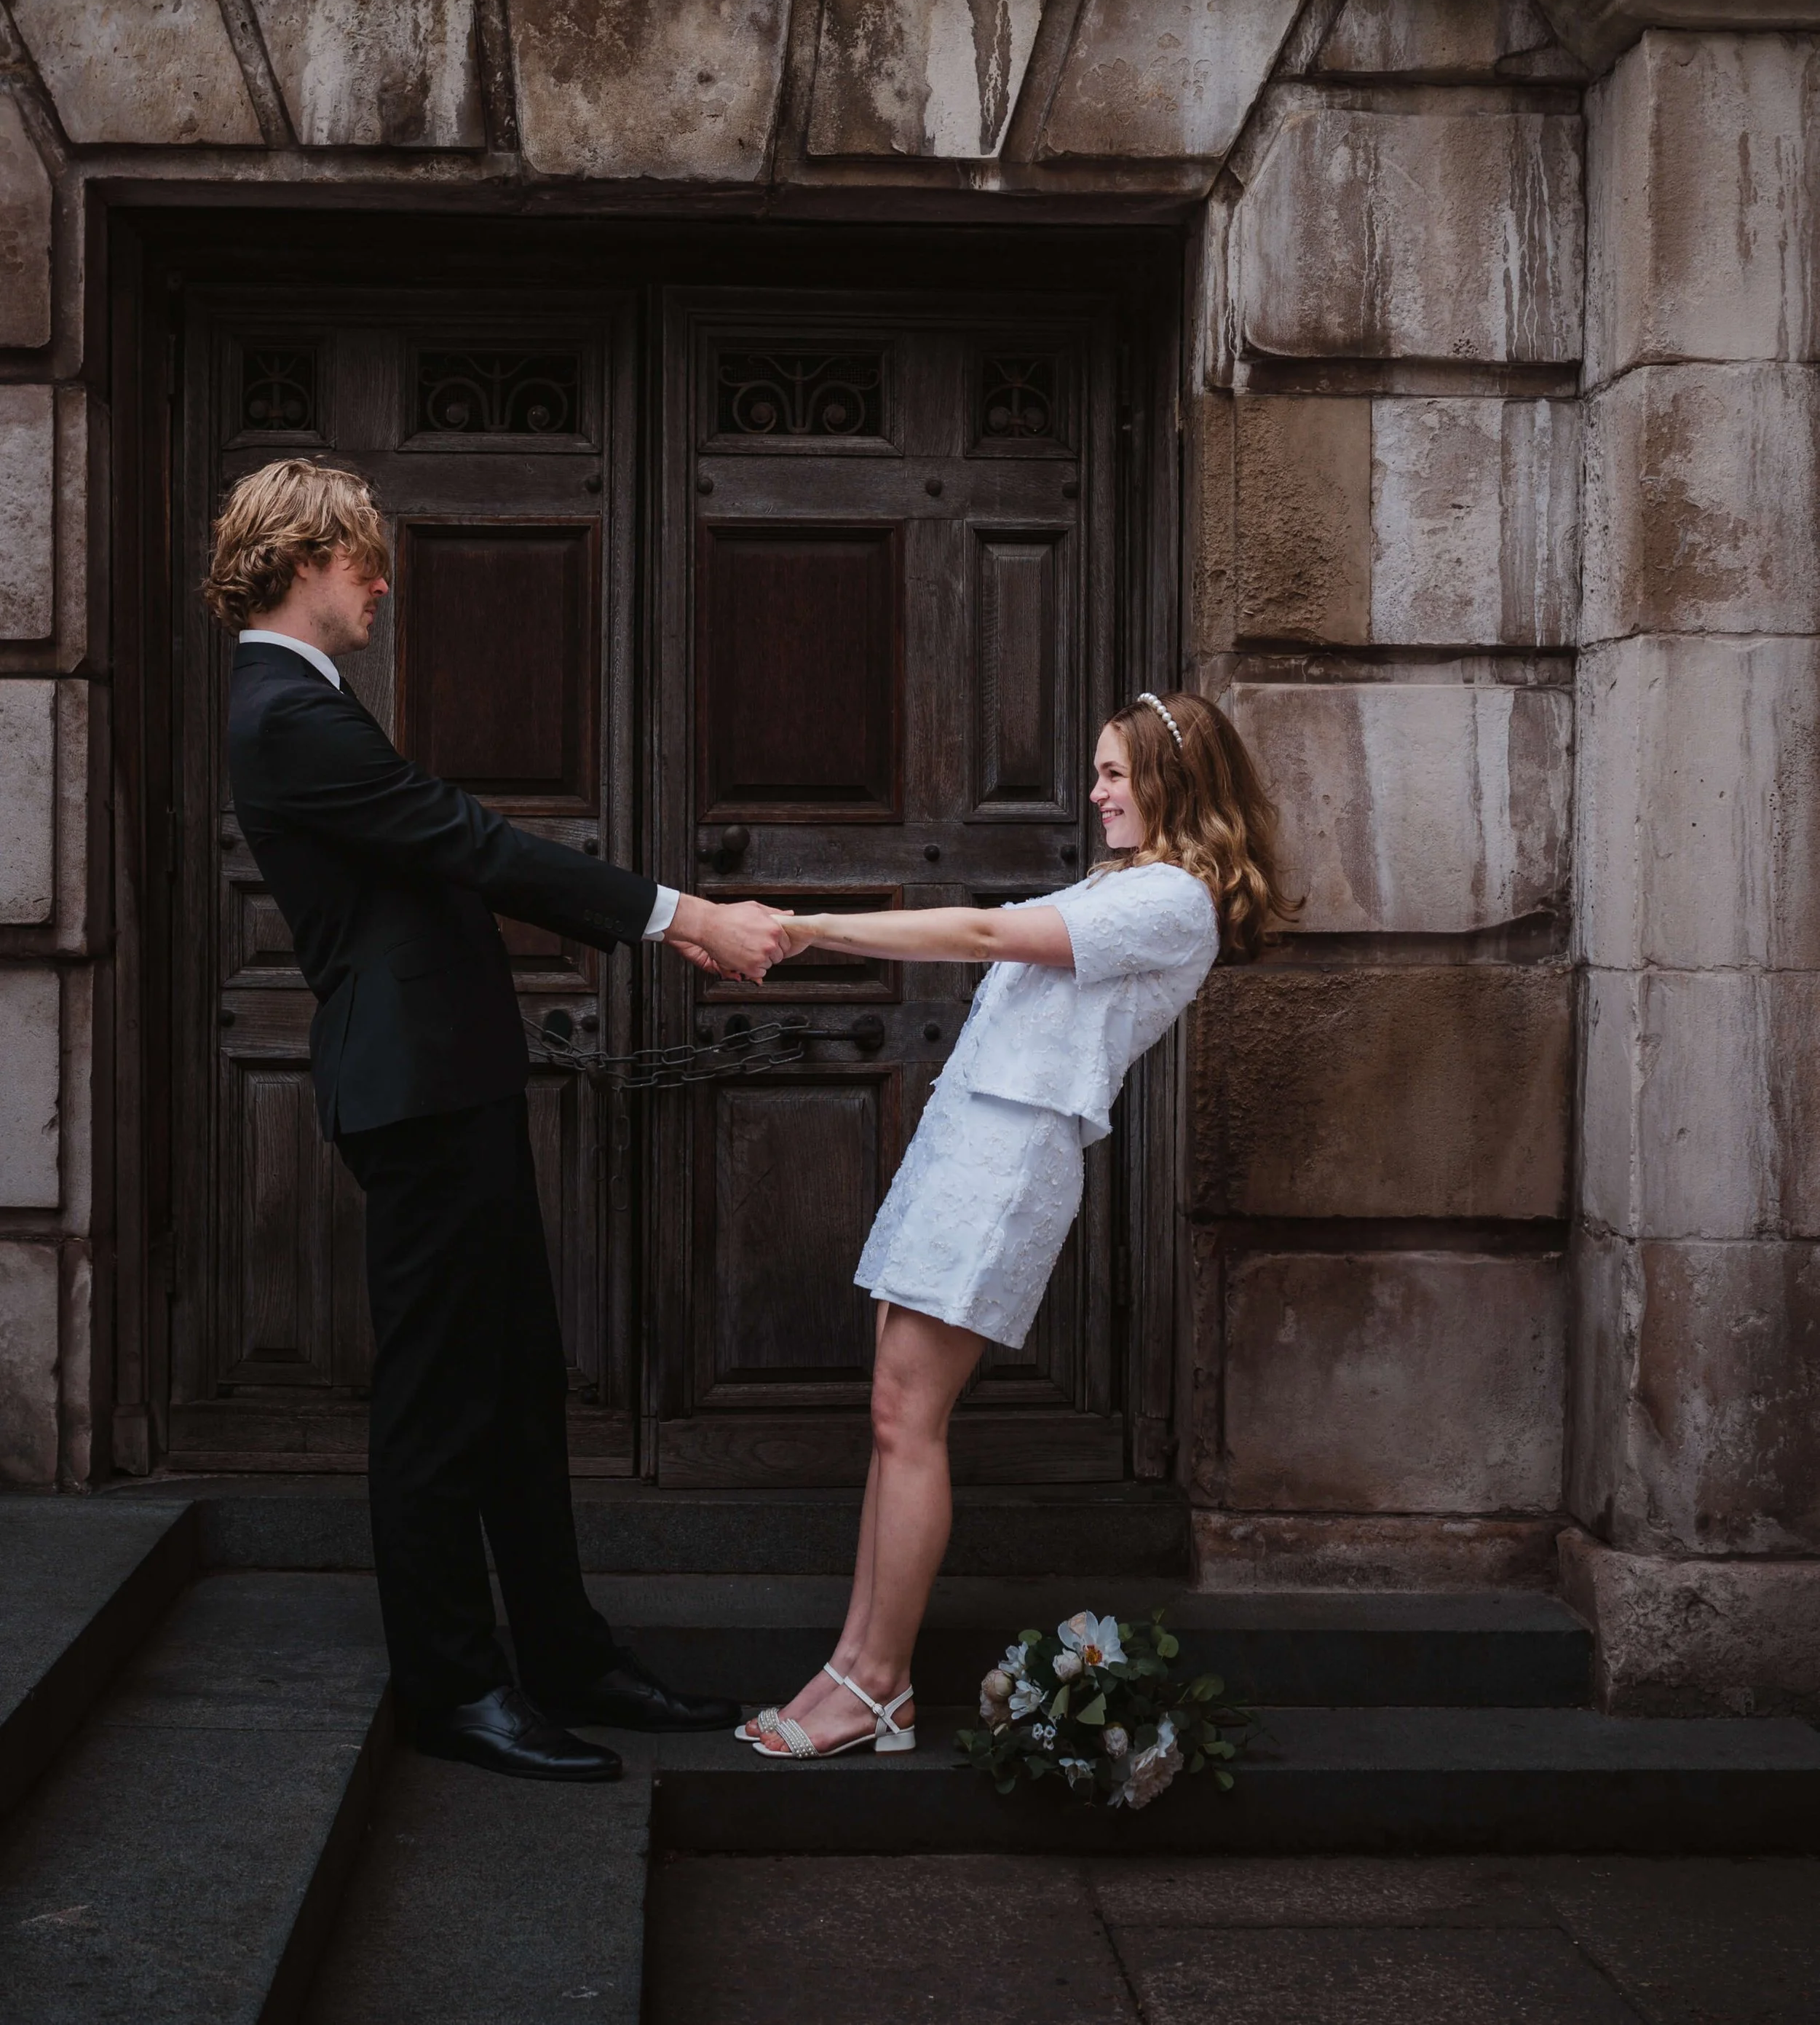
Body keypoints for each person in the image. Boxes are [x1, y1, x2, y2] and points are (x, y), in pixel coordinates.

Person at [207, 459, 789, 1783]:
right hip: (413, 1094)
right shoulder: (284, 710)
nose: (381, 584)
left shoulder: (307, 700)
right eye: (366, 560)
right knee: (438, 1403)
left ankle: (564, 1653)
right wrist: (682, 916)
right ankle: (455, 1687)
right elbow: (463, 839)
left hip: (446, 1080)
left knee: (516, 1386)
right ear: (307, 559)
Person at [740, 689, 1297, 1761]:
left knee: (912, 1418)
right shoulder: (1123, 884)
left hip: (1007, 1164)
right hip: (968, 1145)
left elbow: (989, 930)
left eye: (1114, 774)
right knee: (894, 1410)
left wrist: (812, 925)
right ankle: (851, 1663)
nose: (1095, 792)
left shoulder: (1172, 900)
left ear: (1174, 783)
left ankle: (880, 1682)